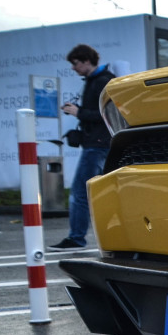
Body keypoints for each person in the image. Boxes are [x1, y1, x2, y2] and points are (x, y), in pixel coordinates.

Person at [50, 44, 116, 250]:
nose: (73, 68)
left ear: (87, 61)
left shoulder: (102, 81)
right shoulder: (99, 80)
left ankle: (77, 238)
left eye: (75, 63)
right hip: (101, 143)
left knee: (80, 191)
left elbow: (106, 114)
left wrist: (78, 113)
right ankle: (111, 238)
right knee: (103, 193)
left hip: (96, 144)